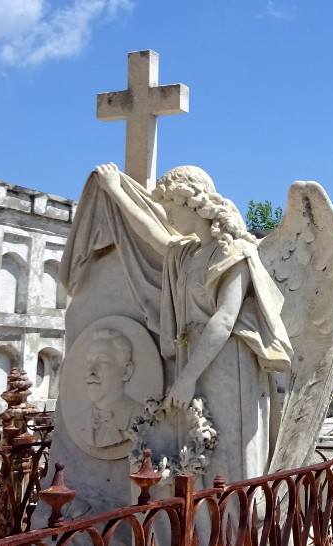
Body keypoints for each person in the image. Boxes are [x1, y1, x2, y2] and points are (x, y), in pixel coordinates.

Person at [91, 163, 291, 484]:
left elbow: (225, 318)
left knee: (228, 447)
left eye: (170, 209)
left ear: (191, 203)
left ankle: (236, 525)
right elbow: (152, 232)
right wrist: (115, 189)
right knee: (195, 447)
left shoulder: (235, 252)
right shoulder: (186, 254)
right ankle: (199, 524)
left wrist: (187, 378)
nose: (167, 219)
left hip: (227, 359)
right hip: (192, 353)